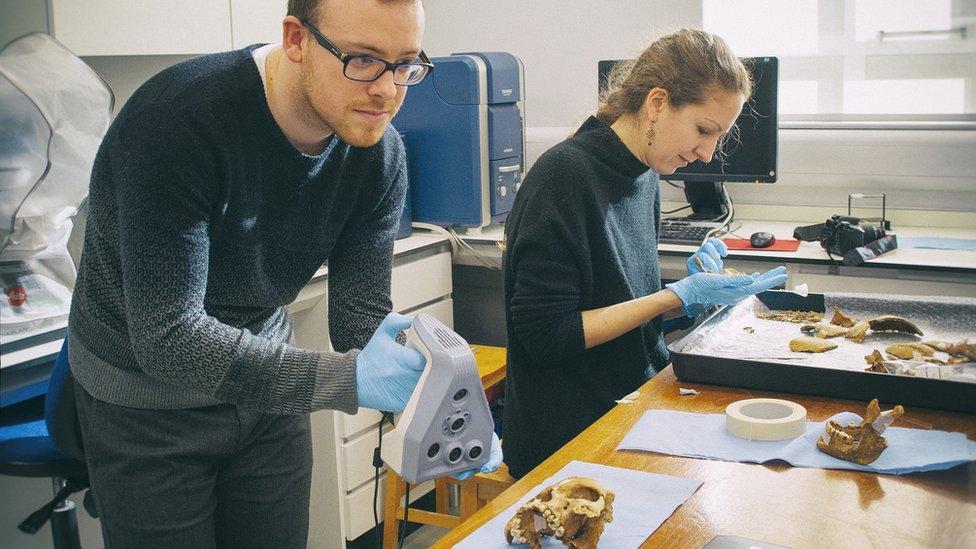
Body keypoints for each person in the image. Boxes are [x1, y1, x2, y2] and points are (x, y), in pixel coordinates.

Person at [67, 1, 499, 547]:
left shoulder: (377, 153)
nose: (387, 92)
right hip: (145, 404)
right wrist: (348, 379)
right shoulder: (177, 124)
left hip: (267, 397)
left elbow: (359, 317)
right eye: (364, 60)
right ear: (296, 39)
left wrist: (439, 416)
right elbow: (168, 339)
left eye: (407, 65)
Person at [501, 28, 787, 479]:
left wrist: (685, 302)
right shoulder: (565, 177)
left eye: (719, 137)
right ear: (657, 103)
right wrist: (675, 297)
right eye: (703, 131)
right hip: (569, 435)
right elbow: (547, 336)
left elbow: (616, 304)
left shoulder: (644, 174)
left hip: (633, 401)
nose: (708, 154)